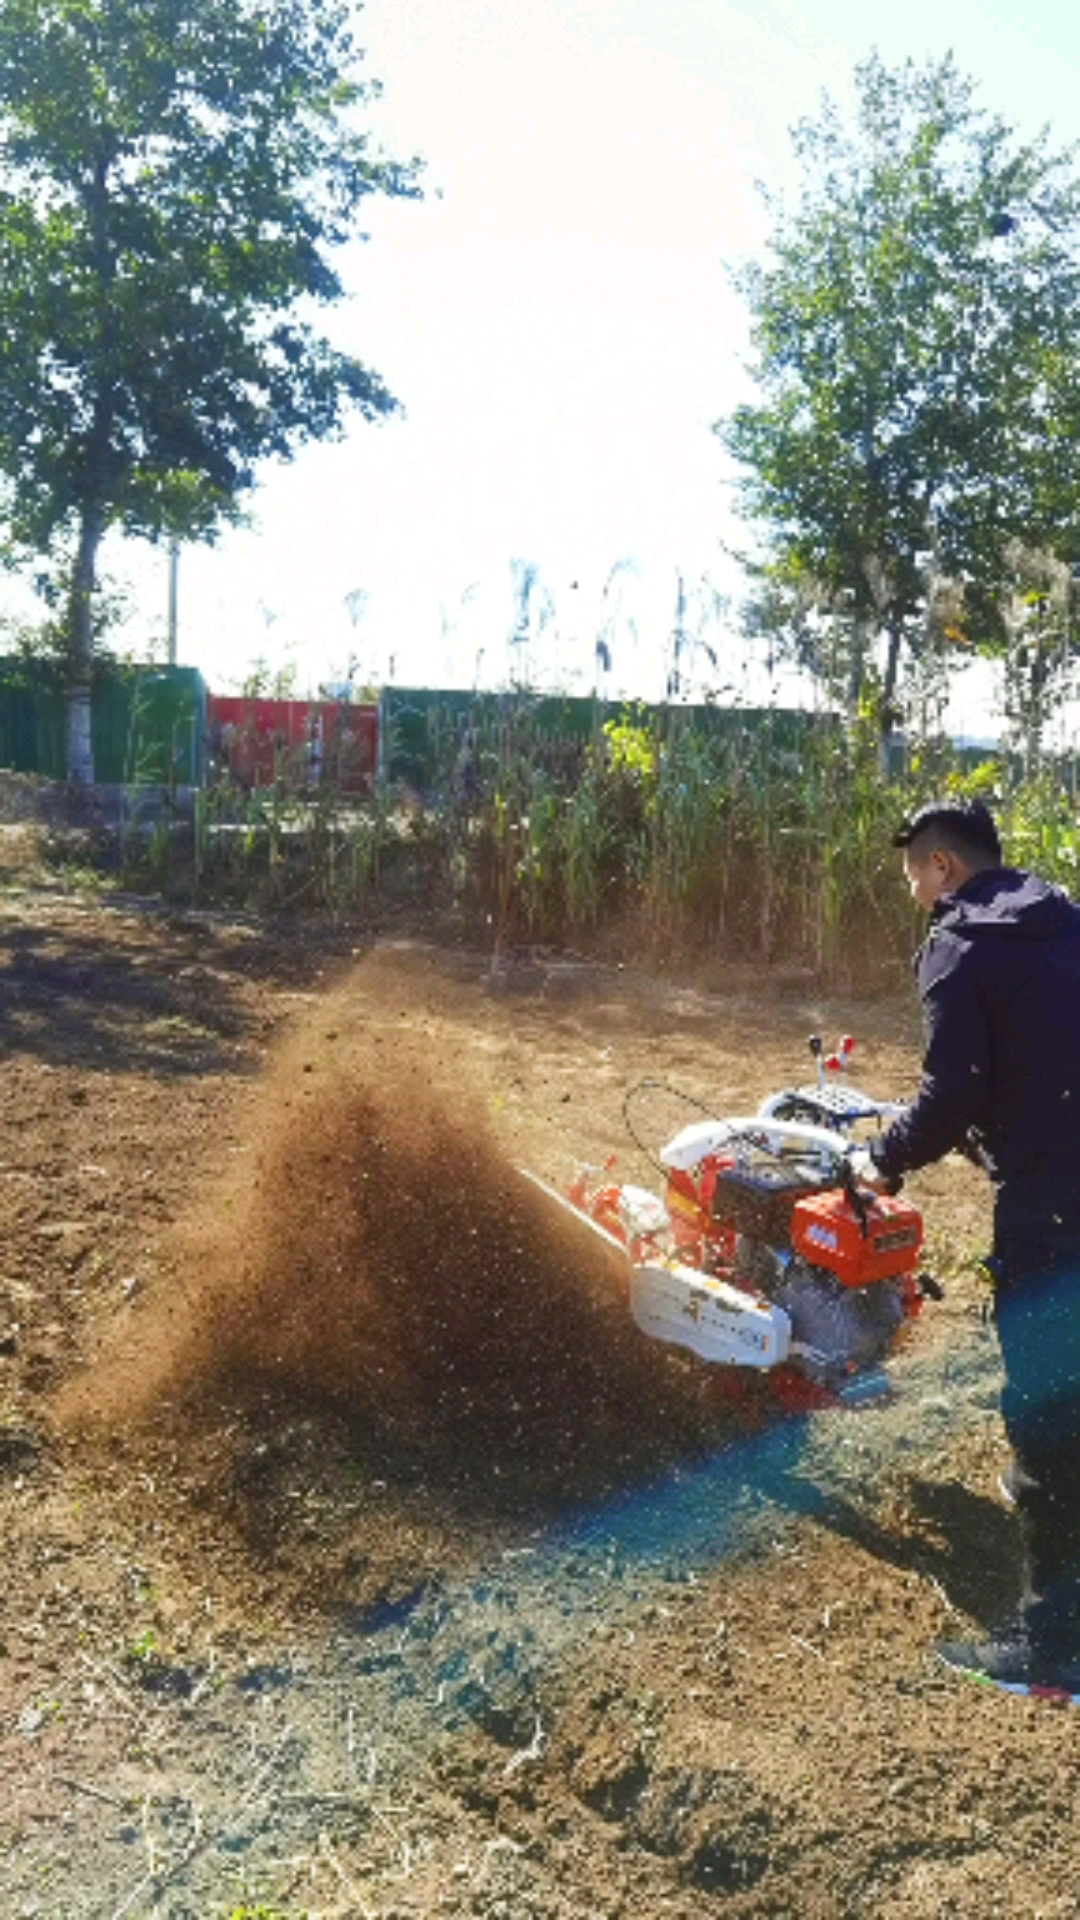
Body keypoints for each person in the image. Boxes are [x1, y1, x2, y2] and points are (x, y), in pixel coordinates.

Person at [853, 797, 1080, 1695]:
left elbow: (951, 1094)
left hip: (1053, 1207)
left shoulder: (960, 945)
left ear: (942, 867)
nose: (913, 886)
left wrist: (883, 1158)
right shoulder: (1064, 918)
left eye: (914, 870)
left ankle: (1051, 1650)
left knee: (1048, 1415)